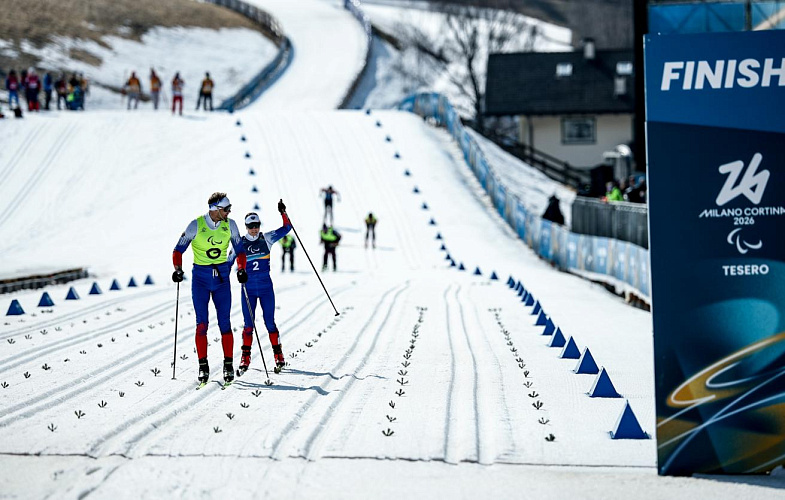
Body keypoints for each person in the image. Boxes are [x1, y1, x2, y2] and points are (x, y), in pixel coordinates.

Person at [172, 193, 247, 386]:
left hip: (221, 279)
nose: (229, 211)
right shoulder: (196, 225)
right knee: (202, 324)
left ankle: (228, 365)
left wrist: (241, 269)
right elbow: (178, 250)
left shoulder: (230, 225)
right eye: (226, 209)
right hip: (201, 281)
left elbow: (240, 250)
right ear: (215, 209)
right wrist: (178, 270)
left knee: (225, 324)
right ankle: (203, 366)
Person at [229, 201, 292, 374]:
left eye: (256, 225)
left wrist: (283, 213)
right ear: (246, 227)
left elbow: (287, 228)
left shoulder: (267, 238)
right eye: (251, 226)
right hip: (248, 290)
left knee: (269, 322)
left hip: (265, 288)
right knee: (248, 325)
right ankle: (245, 358)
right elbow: (227, 264)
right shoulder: (239, 244)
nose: (254, 229)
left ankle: (279, 356)